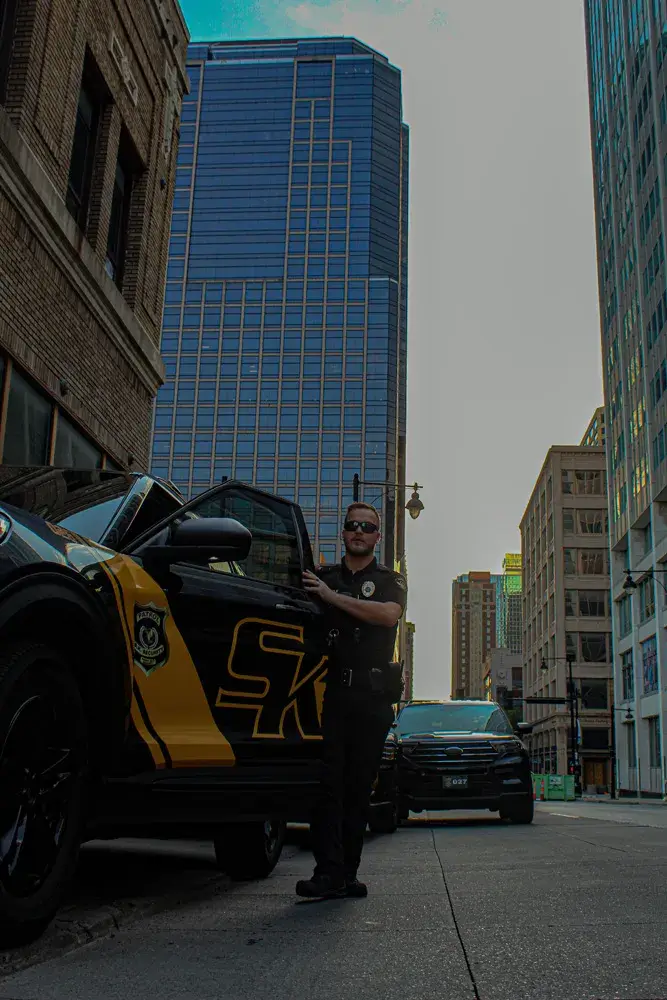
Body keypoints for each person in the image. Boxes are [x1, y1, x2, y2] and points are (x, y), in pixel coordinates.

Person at [296, 501, 407, 900]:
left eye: (368, 527)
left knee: (360, 787)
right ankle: (327, 872)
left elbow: (388, 615)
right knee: (329, 785)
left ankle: (348, 873)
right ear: (343, 532)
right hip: (335, 694)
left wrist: (332, 598)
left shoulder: (390, 580)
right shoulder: (321, 577)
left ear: (378, 536)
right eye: (353, 525)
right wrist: (323, 592)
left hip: (374, 698)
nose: (359, 531)